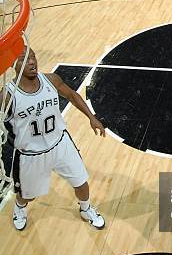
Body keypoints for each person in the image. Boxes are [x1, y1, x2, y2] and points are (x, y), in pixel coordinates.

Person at [2, 48, 106, 231]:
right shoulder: (7, 95)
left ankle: (86, 208)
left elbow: (72, 95)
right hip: (31, 154)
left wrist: (92, 116)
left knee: (81, 182)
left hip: (60, 143)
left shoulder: (51, 80)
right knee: (28, 196)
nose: (32, 62)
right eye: (24, 60)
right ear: (13, 64)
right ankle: (19, 207)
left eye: (32, 57)